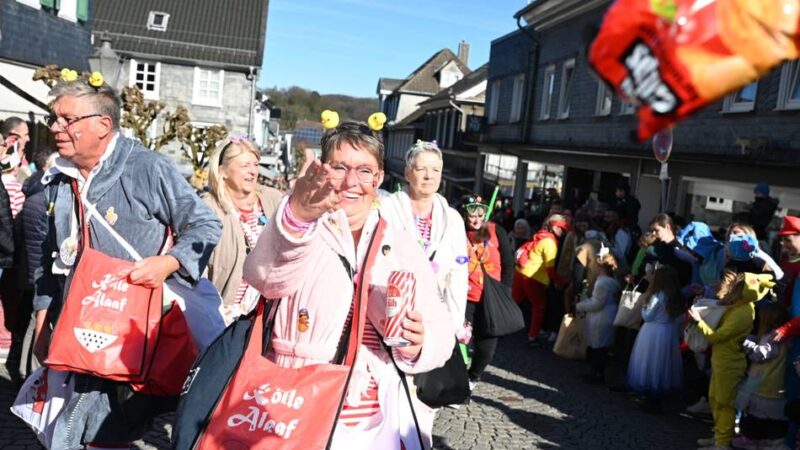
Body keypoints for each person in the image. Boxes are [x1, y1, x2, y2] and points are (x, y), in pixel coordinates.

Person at [32, 76, 222, 449]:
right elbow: (48, 256)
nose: (55, 128)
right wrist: (42, 321)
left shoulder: (147, 167)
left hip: (131, 328)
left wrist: (168, 262)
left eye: (66, 119)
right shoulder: (58, 179)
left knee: (101, 432)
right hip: (75, 325)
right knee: (67, 429)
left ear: (102, 125)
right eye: (53, 119)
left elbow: (205, 223)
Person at [243, 121, 454, 449]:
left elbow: (440, 330)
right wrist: (297, 217)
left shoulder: (400, 245)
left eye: (365, 170)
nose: (352, 182)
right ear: (323, 171)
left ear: (379, 178)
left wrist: (419, 344)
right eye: (340, 167)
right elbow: (264, 279)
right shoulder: (303, 227)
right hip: (297, 407)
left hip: (374, 421)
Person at [380, 139, 469, 332]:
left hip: (435, 314)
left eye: (436, 170)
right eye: (421, 169)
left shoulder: (452, 219)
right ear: (407, 173)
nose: (429, 176)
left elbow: (458, 273)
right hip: (391, 308)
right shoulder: (387, 209)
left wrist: (453, 323)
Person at [203, 135, 282, 323]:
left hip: (267, 314)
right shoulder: (208, 209)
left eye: (255, 164)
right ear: (223, 171)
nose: (253, 171)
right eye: (245, 166)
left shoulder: (273, 199)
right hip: (223, 317)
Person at [688, 270, 766, 450]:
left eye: (737, 287)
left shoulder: (743, 311)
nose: (733, 290)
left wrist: (700, 321)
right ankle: (718, 436)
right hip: (721, 361)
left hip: (730, 364)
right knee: (715, 399)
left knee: (724, 403)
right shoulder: (739, 306)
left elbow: (717, 337)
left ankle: (722, 442)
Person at [461, 195, 514, 387]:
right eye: (472, 215)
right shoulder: (457, 231)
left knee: (488, 340)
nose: (476, 220)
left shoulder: (496, 230)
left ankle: (473, 377)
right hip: (464, 295)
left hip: (491, 296)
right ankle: (455, 378)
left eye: (480, 215)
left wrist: (505, 292)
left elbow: (508, 264)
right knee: (460, 338)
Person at [626, 265, 685, 413]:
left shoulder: (657, 296)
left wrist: (642, 307)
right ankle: (657, 398)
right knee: (662, 364)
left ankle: (650, 399)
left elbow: (648, 316)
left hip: (653, 331)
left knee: (650, 362)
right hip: (668, 331)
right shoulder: (676, 296)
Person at [732, 302, 790, 450]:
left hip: (764, 382)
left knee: (758, 414)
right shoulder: (779, 337)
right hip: (760, 379)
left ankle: (754, 438)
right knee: (759, 413)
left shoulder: (773, 338)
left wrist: (748, 344)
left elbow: (761, 354)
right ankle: (760, 438)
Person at [513, 214, 570, 347]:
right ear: (553, 226)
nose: (562, 231)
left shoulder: (540, 235)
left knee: (513, 302)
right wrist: (562, 282)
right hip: (532, 277)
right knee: (539, 306)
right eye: (560, 227)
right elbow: (549, 269)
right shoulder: (550, 242)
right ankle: (533, 337)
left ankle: (495, 326)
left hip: (520, 272)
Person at [575, 248, 620, 384]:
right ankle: (596, 373)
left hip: (601, 317)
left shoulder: (602, 283)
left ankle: (597, 374)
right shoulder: (611, 280)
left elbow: (597, 304)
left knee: (598, 347)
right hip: (607, 314)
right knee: (600, 346)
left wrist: (579, 306)